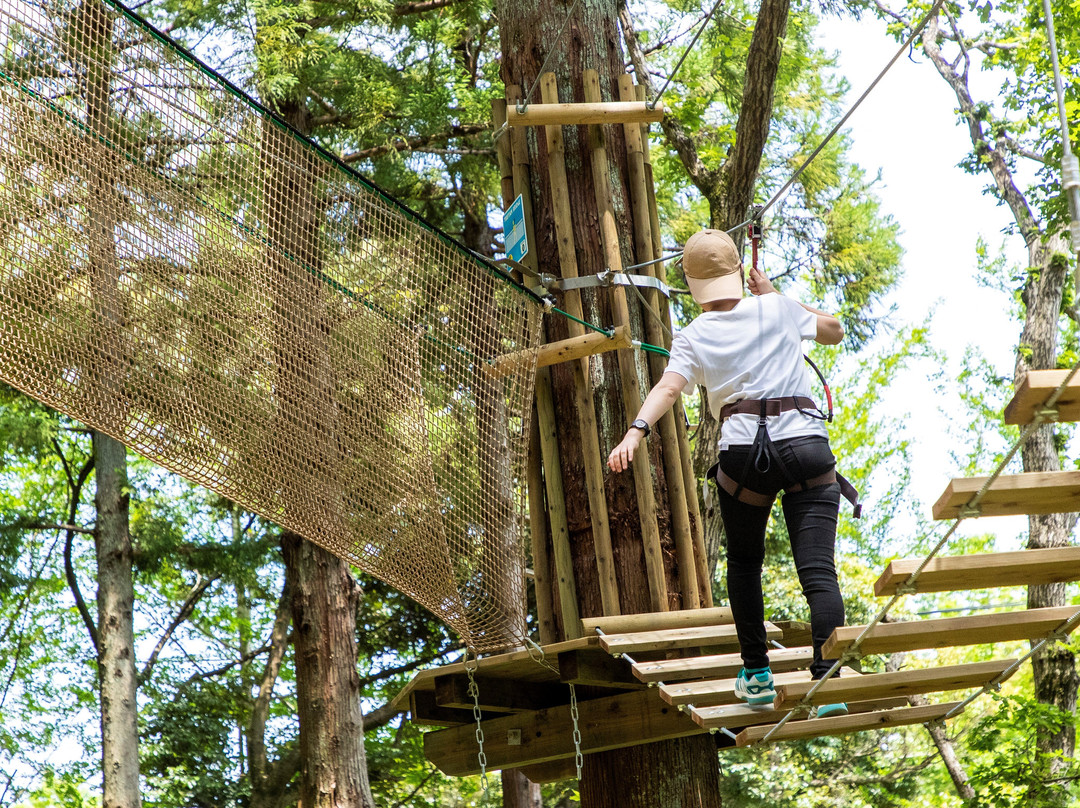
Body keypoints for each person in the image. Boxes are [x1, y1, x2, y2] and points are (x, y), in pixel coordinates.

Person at [606, 228, 849, 718]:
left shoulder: (694, 334)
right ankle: (826, 687)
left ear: (694, 285)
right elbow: (834, 329)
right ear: (739, 270)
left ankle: (757, 675)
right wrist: (777, 296)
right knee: (819, 572)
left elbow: (670, 389)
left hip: (743, 458)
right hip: (805, 447)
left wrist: (635, 431)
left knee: (744, 565)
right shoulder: (778, 308)